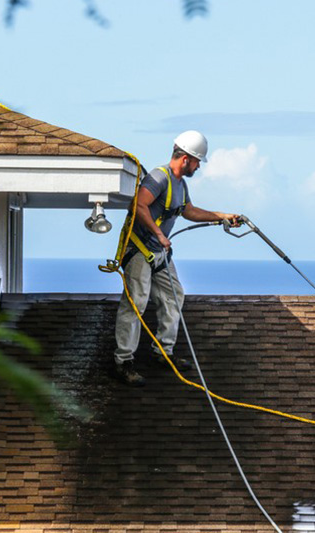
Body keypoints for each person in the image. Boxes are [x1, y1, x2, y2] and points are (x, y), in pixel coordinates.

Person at [113, 130, 240, 386]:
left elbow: (189, 211)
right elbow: (138, 204)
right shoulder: (159, 177)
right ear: (186, 159)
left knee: (174, 295)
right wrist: (159, 234)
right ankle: (123, 361)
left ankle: (163, 352)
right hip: (140, 251)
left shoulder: (180, 184)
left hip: (159, 252)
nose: (198, 166)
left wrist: (222, 216)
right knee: (136, 303)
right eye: (197, 161)